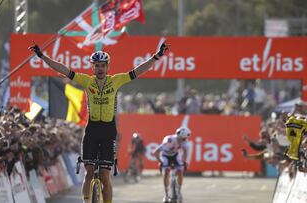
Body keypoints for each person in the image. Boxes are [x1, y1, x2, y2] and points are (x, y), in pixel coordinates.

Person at [29, 41, 169, 203]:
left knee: (104, 175)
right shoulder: (87, 81)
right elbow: (62, 69)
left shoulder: (116, 80)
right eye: (97, 66)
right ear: (93, 67)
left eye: (103, 65)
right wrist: (42, 56)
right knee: (88, 172)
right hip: (92, 129)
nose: (100, 69)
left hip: (109, 131)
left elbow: (138, 71)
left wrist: (157, 56)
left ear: (107, 67)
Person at [153, 127, 191, 203]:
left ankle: (179, 191)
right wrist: (160, 161)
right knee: (166, 171)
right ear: (178, 136)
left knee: (180, 171)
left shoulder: (185, 142)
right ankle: (166, 194)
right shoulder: (169, 140)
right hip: (165, 155)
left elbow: (185, 152)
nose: (184, 140)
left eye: (185, 139)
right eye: (183, 139)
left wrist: (184, 162)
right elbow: (156, 152)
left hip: (175, 155)